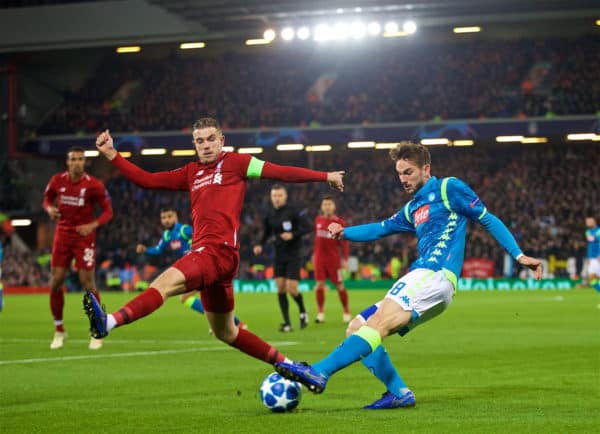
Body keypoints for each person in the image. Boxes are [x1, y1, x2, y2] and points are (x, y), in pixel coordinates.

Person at [275, 141, 542, 409]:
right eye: (399, 173)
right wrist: (345, 232)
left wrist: (519, 256)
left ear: (426, 168)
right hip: (425, 280)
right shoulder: (412, 208)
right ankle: (399, 392)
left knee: (377, 324)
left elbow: (487, 218)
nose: (402, 179)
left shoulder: (449, 188)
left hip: (433, 274)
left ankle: (319, 372)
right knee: (357, 327)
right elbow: (381, 228)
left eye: (408, 172)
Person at [84, 117, 344, 368]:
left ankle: (108, 322)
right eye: (200, 141)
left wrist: (325, 176)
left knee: (162, 285)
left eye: (210, 139)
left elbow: (281, 172)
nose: (206, 145)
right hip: (217, 262)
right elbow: (148, 180)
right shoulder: (190, 173)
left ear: (221, 140)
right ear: (194, 145)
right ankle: (291, 365)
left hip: (216, 253)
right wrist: (112, 154)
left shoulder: (238, 163)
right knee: (226, 332)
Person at [43, 147, 113, 350]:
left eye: (81, 159)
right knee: (56, 282)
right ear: (67, 162)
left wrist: (92, 225)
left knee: (87, 284)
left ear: (85, 162)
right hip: (62, 235)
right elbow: (46, 199)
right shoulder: (57, 181)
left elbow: (108, 212)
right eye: (73, 159)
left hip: (84, 238)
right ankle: (59, 330)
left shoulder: (94, 185)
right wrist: (50, 209)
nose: (77, 162)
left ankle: (98, 330)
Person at [137, 206, 245, 329]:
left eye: (169, 216)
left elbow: (204, 237)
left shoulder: (184, 230)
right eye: (163, 218)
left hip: (202, 266)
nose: (166, 220)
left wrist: (194, 248)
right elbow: (158, 250)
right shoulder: (167, 235)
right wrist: (145, 249)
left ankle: (229, 323)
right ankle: (233, 323)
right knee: (199, 298)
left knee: (188, 297)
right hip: (194, 268)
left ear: (176, 217)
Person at [253, 185, 311, 332]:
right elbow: (266, 233)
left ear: (285, 197)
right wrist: (260, 244)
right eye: (274, 196)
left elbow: (307, 227)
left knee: (292, 289)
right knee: (280, 288)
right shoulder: (269, 215)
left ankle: (303, 311)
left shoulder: (293, 212)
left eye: (279, 196)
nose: (277, 198)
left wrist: (293, 234)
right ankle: (287, 323)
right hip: (279, 255)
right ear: (271, 197)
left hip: (294, 253)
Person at [313, 195, 351, 323]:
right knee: (319, 285)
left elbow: (344, 243)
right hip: (319, 260)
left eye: (329, 204)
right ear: (321, 207)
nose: (327, 207)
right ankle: (320, 313)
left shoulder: (339, 222)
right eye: (325, 204)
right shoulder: (318, 220)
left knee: (340, 285)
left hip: (334, 260)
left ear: (333, 206)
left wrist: (345, 259)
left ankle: (346, 311)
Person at [584, 216, 600, 292]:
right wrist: (589, 257)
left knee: (597, 277)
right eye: (586, 222)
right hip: (592, 258)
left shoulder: (598, 231)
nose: (587, 223)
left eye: (589, 221)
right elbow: (590, 245)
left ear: (594, 221)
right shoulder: (588, 232)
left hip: (598, 257)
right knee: (591, 279)